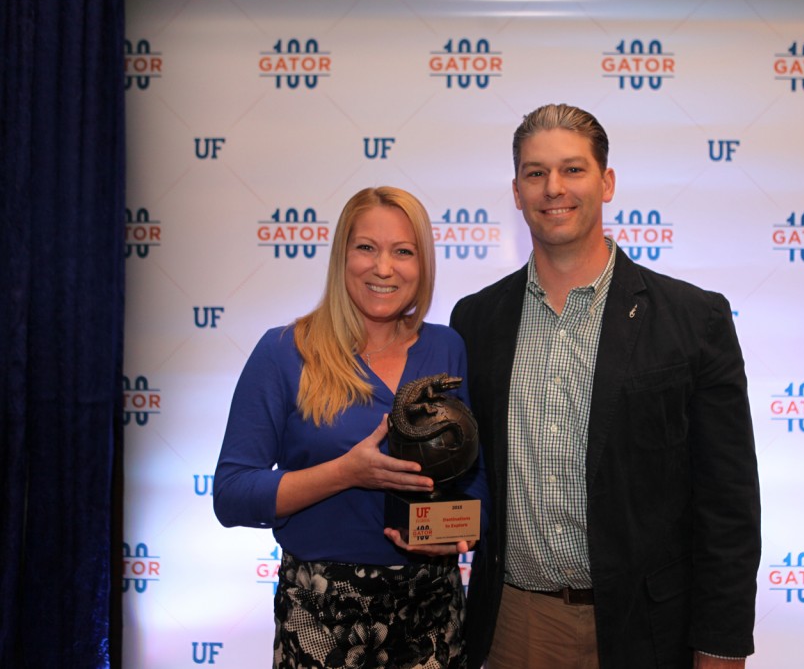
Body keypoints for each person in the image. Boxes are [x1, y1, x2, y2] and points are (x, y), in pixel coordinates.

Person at [450, 104, 761, 669]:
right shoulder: (475, 320)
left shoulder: (694, 319)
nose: (553, 189)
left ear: (607, 182)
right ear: (516, 192)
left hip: (649, 629)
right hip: (517, 625)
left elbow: (729, 505)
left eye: (572, 169)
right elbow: (466, 472)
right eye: (535, 173)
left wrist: (720, 645)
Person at [214, 186, 487, 669]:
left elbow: (474, 482)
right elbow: (232, 494)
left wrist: (462, 532)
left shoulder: (448, 348)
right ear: (342, 256)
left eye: (403, 251)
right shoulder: (282, 352)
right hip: (322, 614)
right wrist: (348, 472)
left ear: (422, 265)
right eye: (367, 248)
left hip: (432, 612)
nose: (384, 268)